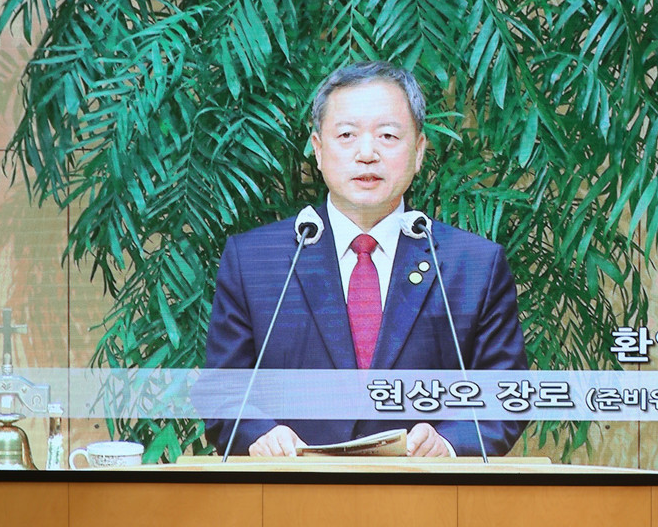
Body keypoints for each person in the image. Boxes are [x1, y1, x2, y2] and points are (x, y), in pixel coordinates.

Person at [204, 61, 528, 457]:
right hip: (290, 497)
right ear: (319, 151)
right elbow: (223, 392)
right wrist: (260, 434)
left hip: (425, 500)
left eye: (388, 135)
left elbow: (506, 396)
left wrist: (449, 442)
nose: (367, 153)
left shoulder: (473, 265)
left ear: (419, 150)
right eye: (346, 135)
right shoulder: (255, 260)